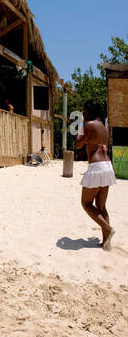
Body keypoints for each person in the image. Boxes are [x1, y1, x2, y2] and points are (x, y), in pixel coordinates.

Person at [74, 100, 115, 250]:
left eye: (84, 112)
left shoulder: (89, 125)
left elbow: (78, 144)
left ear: (91, 112)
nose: (83, 114)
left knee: (86, 203)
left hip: (96, 167)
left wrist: (80, 124)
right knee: (101, 206)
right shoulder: (103, 127)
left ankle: (108, 229)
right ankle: (106, 243)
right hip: (107, 166)